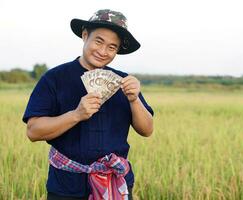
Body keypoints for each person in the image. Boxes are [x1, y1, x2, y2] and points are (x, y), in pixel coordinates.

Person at [22, 9, 154, 200]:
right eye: (98, 41)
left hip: (115, 185)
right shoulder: (54, 79)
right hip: (66, 188)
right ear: (85, 36)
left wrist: (134, 100)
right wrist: (76, 114)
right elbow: (33, 132)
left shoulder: (123, 82)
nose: (103, 51)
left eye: (112, 47)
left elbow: (147, 130)